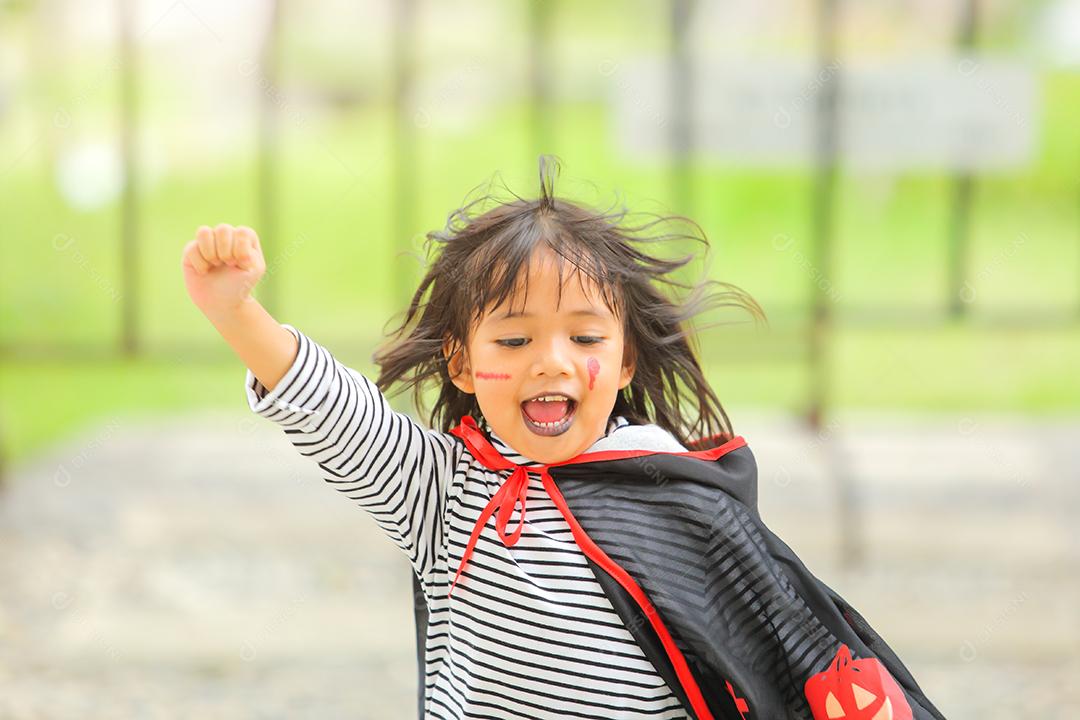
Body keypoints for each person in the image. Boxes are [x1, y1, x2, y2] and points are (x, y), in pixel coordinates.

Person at [181, 156, 943, 720]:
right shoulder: (443, 491)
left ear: (625, 359)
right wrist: (234, 312)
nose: (551, 362)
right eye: (514, 341)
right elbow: (335, 411)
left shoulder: (678, 502)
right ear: (463, 363)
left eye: (584, 337)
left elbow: (790, 644)